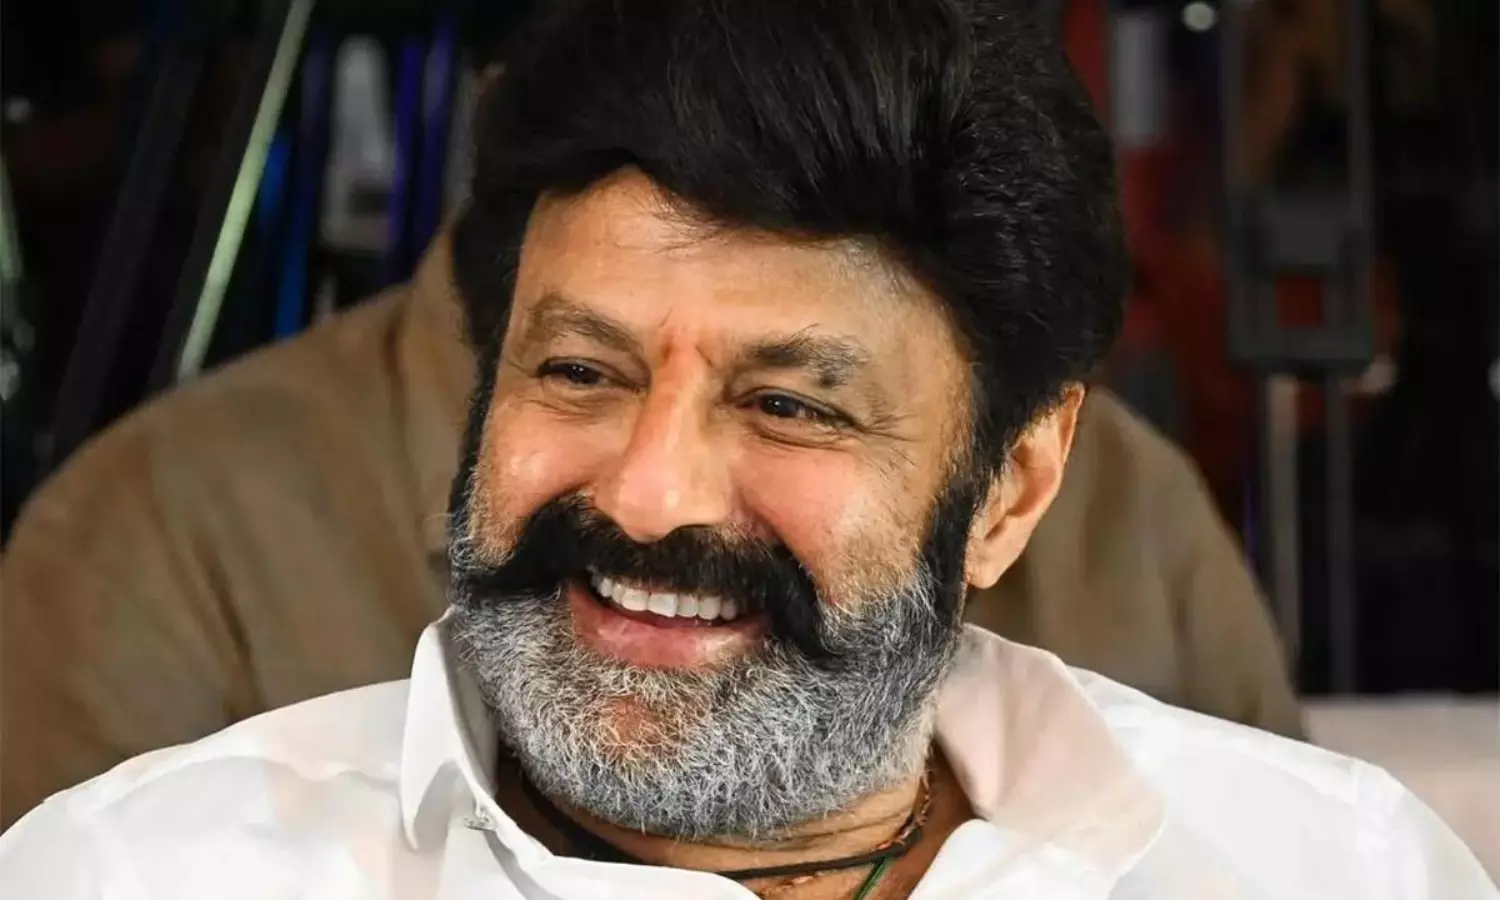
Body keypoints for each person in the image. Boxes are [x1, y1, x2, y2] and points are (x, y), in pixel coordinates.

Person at [15, 0, 1475, 894]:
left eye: (791, 405)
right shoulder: (136, 875)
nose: (649, 494)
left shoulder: (1325, 870)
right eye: (579, 371)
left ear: (1011, 491)